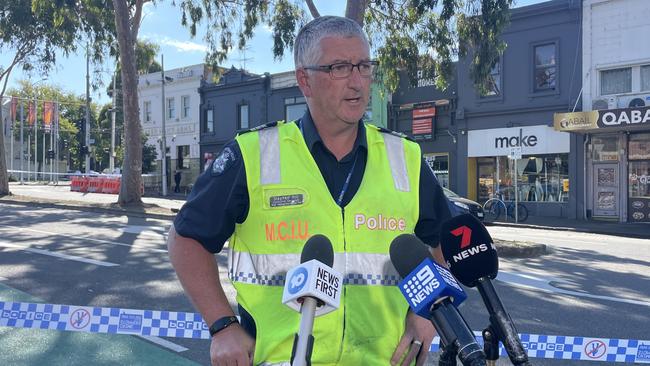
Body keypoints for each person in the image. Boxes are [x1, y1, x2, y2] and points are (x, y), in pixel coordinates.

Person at [168, 16, 452, 366]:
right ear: (305, 80)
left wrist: (429, 312)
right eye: (339, 67)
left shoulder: (404, 157)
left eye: (364, 66)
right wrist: (222, 325)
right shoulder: (253, 155)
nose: (357, 81)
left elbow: (447, 241)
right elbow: (185, 240)